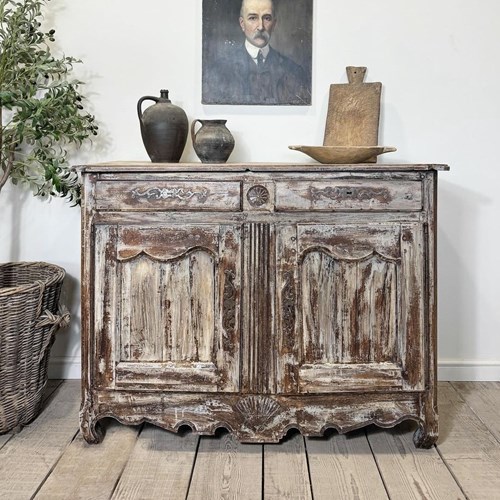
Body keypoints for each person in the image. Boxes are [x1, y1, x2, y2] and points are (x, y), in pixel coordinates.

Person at [203, 0, 311, 105]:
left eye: (267, 18)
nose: (260, 27)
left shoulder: (294, 71)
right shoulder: (219, 70)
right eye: (253, 18)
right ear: (242, 24)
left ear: (274, 24)